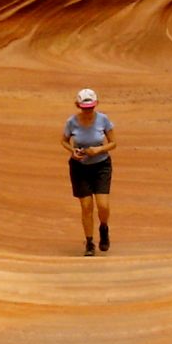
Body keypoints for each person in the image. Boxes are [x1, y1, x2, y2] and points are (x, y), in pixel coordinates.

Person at [60, 88, 116, 256]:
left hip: (101, 166)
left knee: (103, 205)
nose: (88, 110)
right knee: (86, 206)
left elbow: (113, 143)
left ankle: (104, 227)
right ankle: (90, 242)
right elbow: (63, 141)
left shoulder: (103, 120)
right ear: (78, 105)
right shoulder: (72, 122)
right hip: (80, 168)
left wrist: (98, 150)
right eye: (85, 107)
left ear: (96, 104)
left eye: (91, 107)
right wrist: (72, 151)